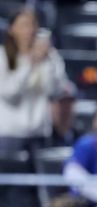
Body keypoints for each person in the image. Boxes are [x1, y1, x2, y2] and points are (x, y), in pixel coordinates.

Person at [0, 8, 67, 153]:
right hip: (10, 134)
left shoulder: (49, 56)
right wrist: (31, 64)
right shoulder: (3, 57)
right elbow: (10, 93)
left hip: (40, 133)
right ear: (12, 29)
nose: (29, 30)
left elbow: (57, 90)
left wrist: (48, 59)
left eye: (33, 25)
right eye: (24, 25)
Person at [48, 79, 78, 147]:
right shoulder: (41, 138)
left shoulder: (80, 138)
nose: (66, 110)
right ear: (51, 106)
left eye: (69, 104)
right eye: (61, 104)